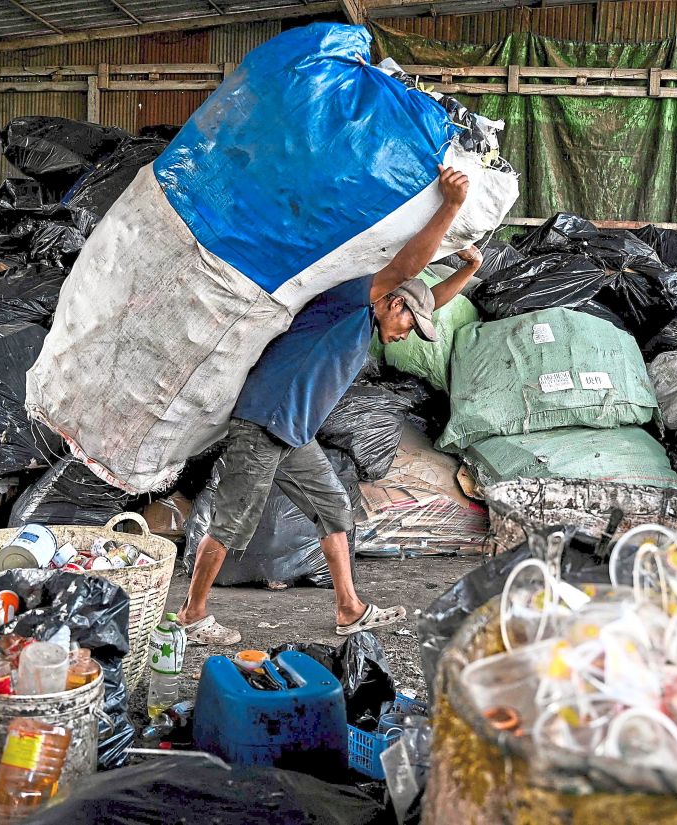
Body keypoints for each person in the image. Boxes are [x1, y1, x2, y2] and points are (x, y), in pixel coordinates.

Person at [177, 165, 484, 645]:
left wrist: (469, 269)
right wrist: (450, 207)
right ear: (391, 303)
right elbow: (405, 272)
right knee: (232, 522)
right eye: (409, 324)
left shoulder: (371, 321)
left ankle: (349, 608)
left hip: (293, 434)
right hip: (262, 424)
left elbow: (427, 297)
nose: (407, 336)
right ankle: (192, 618)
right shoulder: (346, 302)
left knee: (335, 507)